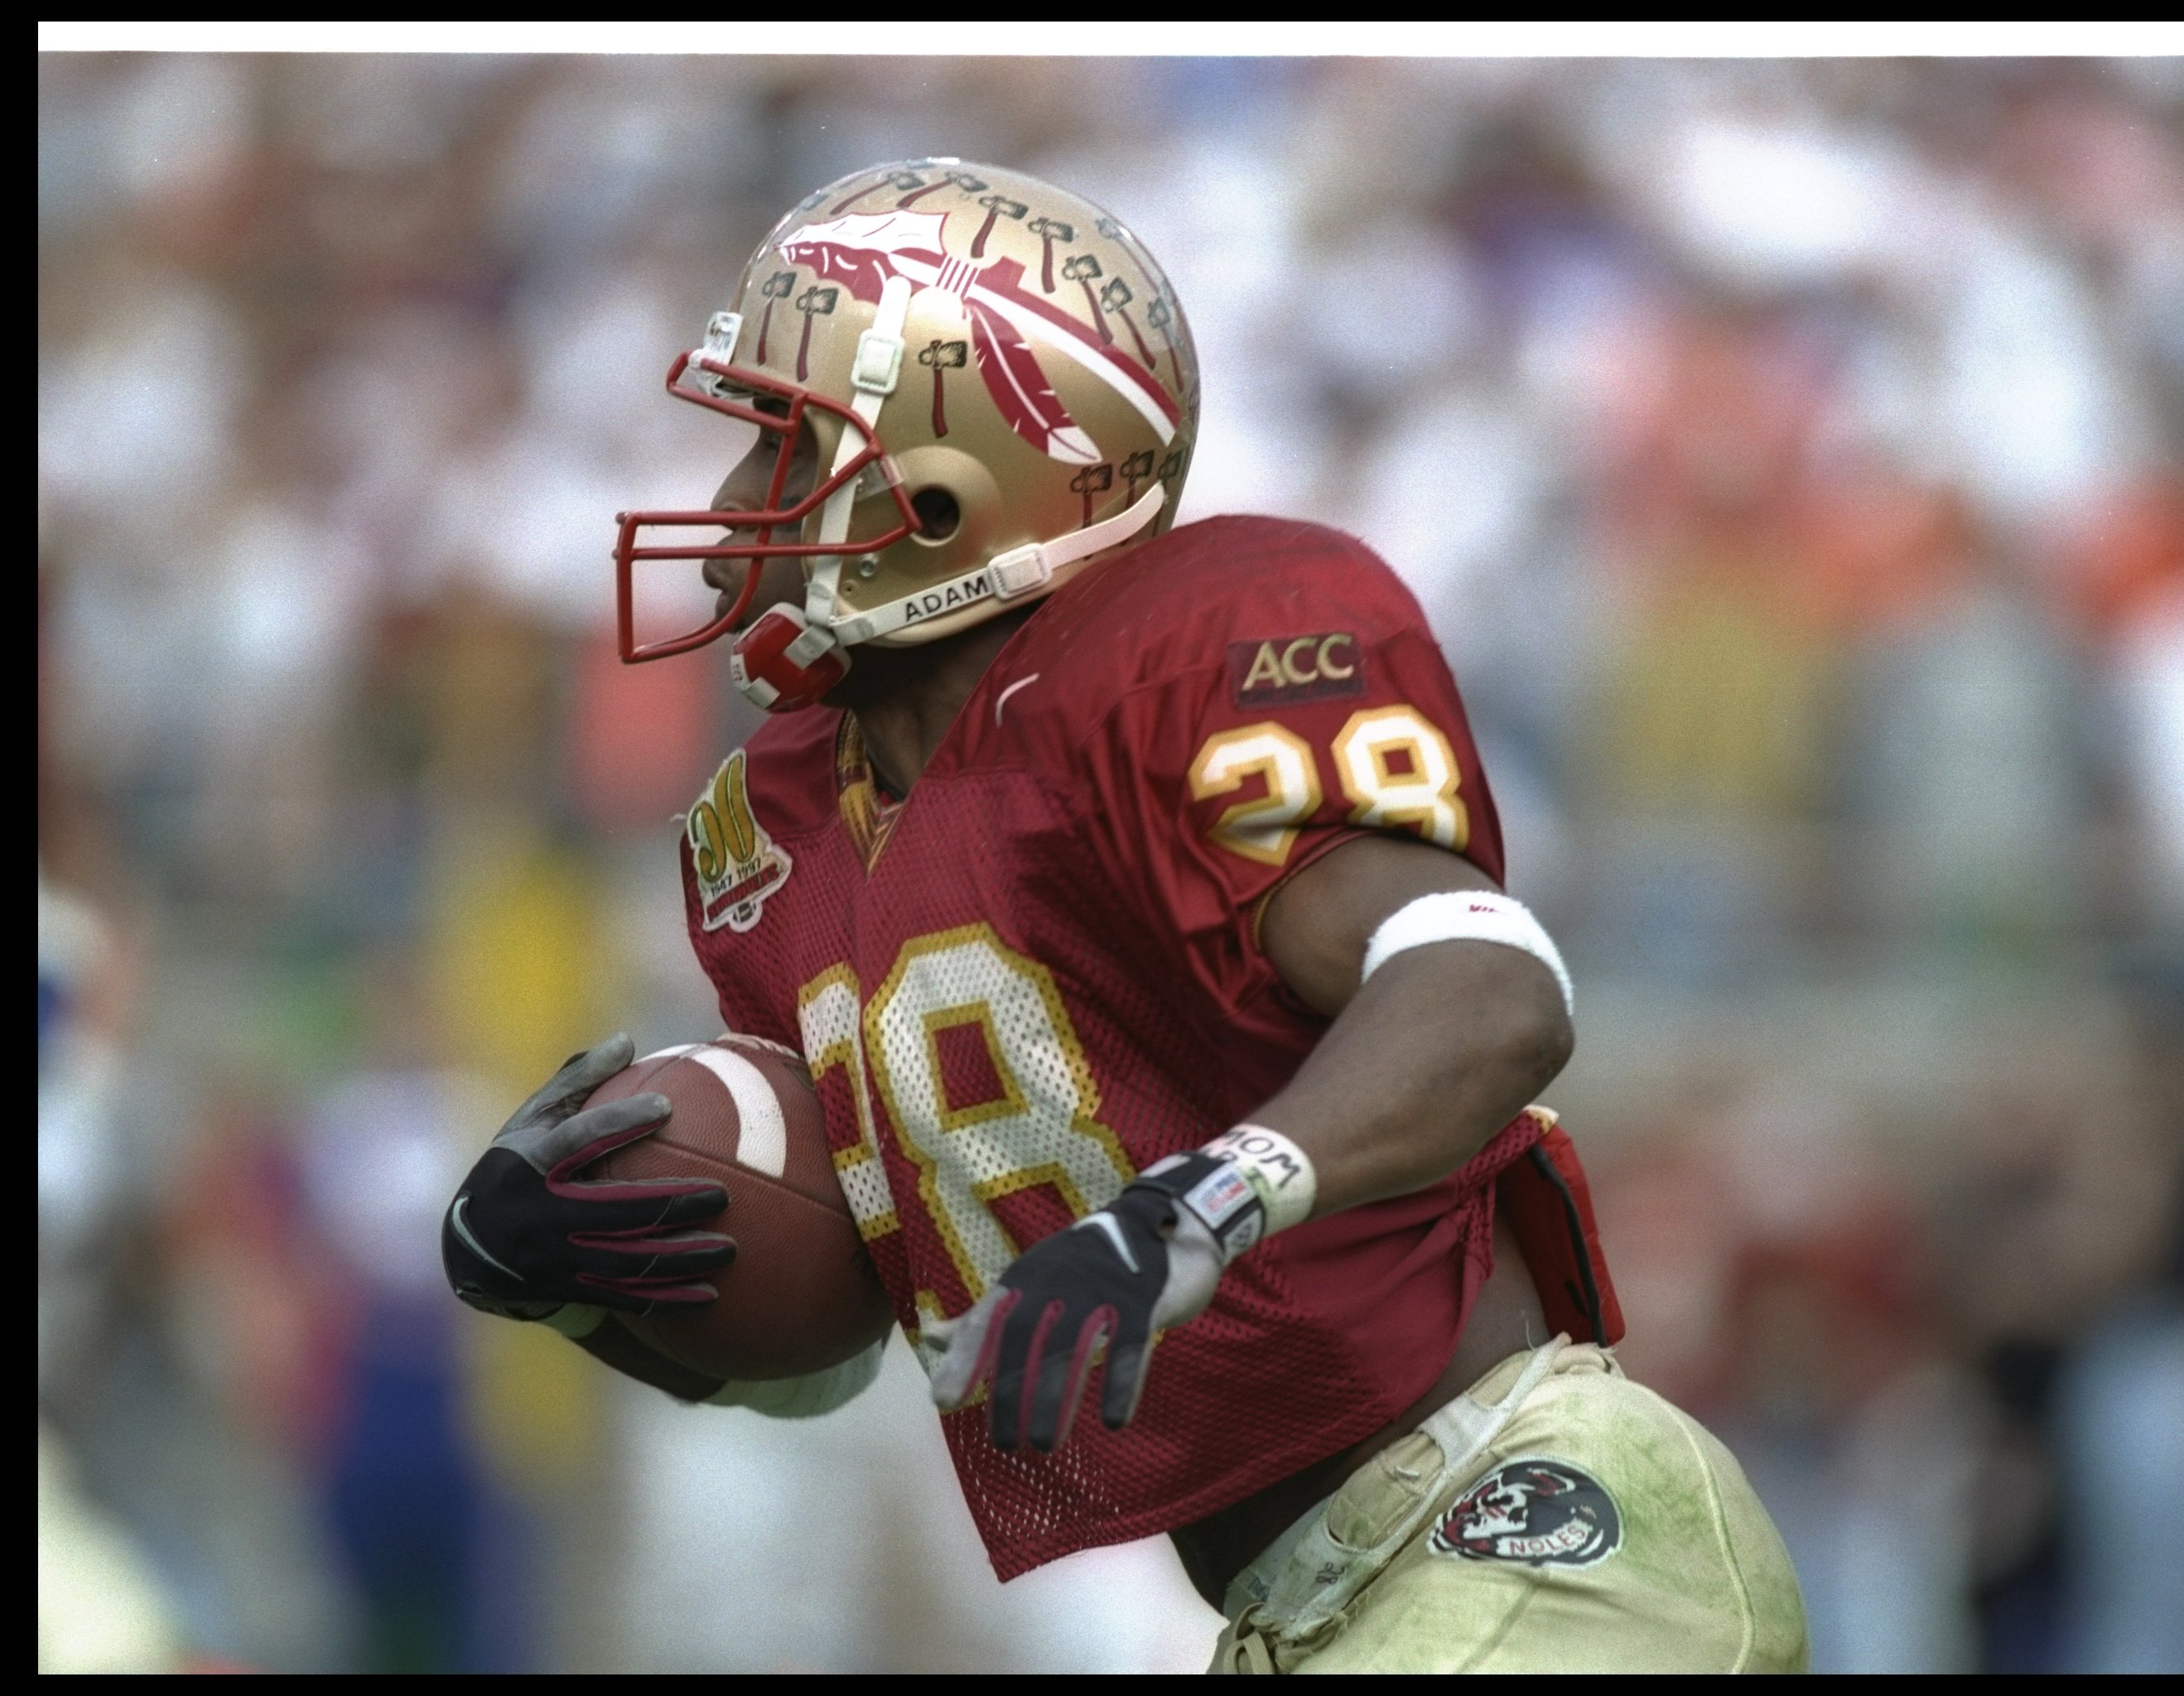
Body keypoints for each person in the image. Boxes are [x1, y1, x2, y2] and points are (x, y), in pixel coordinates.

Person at [439, 159, 1804, 1674]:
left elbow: (1486, 982)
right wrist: (582, 1276)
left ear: (949, 485)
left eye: (785, 446)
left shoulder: (1181, 653)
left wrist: (1200, 1203)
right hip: (1297, 1613)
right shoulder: (780, 829)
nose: (732, 505)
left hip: (1520, 1529)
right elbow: (860, 1344)